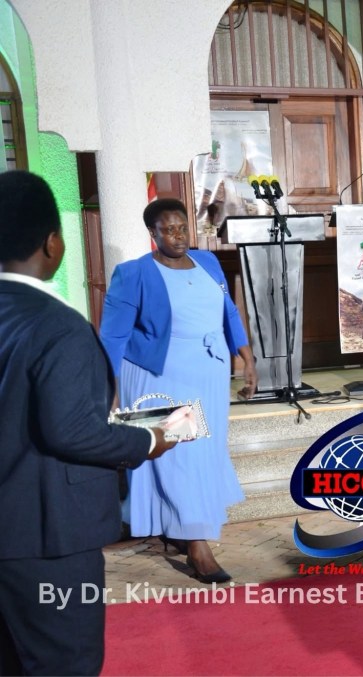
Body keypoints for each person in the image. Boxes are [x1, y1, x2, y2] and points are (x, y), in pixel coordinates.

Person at [0, 171, 176, 674]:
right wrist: (148, 439)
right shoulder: (57, 326)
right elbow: (72, 430)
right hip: (47, 538)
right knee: (65, 663)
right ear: (51, 244)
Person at [100, 198, 257, 583]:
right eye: (168, 230)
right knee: (178, 455)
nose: (178, 236)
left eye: (182, 227)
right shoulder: (134, 273)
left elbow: (228, 312)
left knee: (203, 454)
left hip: (209, 373)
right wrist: (109, 389)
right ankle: (197, 545)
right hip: (160, 376)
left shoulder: (208, 262)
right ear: (152, 234)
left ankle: (181, 529)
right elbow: (113, 336)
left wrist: (246, 357)